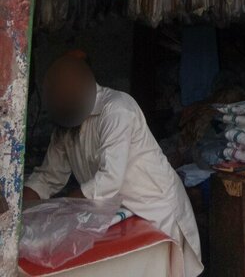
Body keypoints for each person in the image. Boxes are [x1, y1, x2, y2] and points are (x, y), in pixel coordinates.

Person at [23, 53, 202, 277]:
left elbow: (109, 180)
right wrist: (19, 210)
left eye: (66, 93)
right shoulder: (65, 125)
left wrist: (60, 213)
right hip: (120, 217)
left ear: (84, 84)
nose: (61, 100)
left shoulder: (117, 110)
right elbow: (48, 177)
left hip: (155, 211)